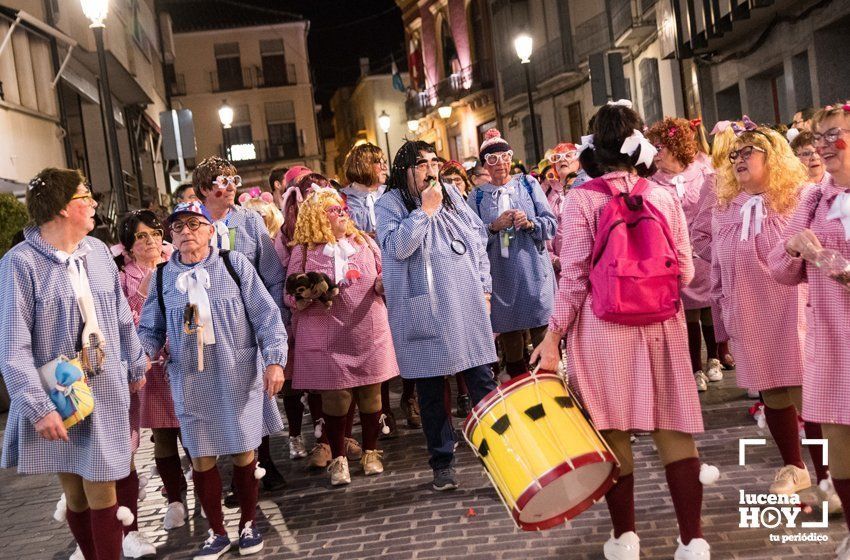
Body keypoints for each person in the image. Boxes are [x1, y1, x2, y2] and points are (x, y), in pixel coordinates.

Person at [531, 103, 710, 560]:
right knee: (674, 428)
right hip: (662, 327)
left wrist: (553, 336)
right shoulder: (664, 195)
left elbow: (572, 278)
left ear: (595, 146)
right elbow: (686, 272)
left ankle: (625, 538)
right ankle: (693, 540)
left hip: (603, 327)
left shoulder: (582, 199)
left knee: (612, 430)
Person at [0, 168, 149, 560]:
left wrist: (135, 364)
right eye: (86, 196)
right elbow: (13, 346)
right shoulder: (20, 263)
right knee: (75, 492)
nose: (94, 203)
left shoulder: (98, 253)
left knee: (103, 487)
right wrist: (38, 406)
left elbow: (120, 317)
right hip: (59, 392)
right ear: (65, 208)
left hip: (105, 386)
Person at [138, 201, 286, 559]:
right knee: (201, 455)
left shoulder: (234, 266)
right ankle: (216, 532)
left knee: (242, 450)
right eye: (177, 227)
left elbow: (267, 317)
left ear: (209, 230)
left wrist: (275, 362)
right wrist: (140, 358)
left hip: (238, 373)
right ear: (169, 236)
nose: (186, 232)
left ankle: (249, 524)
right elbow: (149, 329)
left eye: (193, 224)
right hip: (190, 380)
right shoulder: (161, 278)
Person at [711, 125, 832, 500]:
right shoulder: (725, 207)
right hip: (748, 310)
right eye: (735, 155)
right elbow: (716, 260)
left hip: (792, 308)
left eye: (748, 153)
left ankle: (830, 474)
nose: (739, 160)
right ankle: (795, 468)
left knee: (808, 393)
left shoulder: (802, 198)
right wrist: (723, 306)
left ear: (773, 158)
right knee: (773, 392)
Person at [375, 140, 498, 490]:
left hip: (465, 302)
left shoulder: (452, 195)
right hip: (424, 306)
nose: (431, 169)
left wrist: (485, 289)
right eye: (421, 163)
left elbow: (476, 241)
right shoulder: (389, 204)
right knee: (431, 390)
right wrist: (425, 211)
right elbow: (399, 247)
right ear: (405, 170)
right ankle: (442, 462)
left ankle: (501, 454)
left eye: (434, 162)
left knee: (483, 383)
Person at [770, 105, 850, 558]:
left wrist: (833, 264)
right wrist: (793, 246)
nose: (822, 145)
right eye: (817, 137)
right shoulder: (815, 198)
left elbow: (842, 270)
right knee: (841, 446)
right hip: (831, 339)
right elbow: (781, 270)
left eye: (833, 135)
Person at [286, 187, 399, 485]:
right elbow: (289, 295)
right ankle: (338, 458)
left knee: (370, 393)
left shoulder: (363, 242)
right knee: (335, 396)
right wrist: (306, 294)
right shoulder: (305, 250)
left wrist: (383, 283)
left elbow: (382, 274)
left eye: (342, 209)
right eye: (333, 210)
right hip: (325, 334)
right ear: (316, 217)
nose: (342, 214)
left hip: (366, 328)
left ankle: (372, 451)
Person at [191, 156, 287, 492]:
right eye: (222, 181)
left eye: (235, 180)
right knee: (214, 398)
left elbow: (272, 274)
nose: (231, 187)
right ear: (205, 189)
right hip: (204, 326)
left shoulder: (250, 223)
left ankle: (264, 464)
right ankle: (228, 473)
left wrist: (274, 317)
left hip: (246, 323)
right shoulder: (190, 224)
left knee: (253, 394)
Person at [277, 172, 362, 468]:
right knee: (319, 386)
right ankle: (324, 440)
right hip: (314, 326)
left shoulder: (352, 237)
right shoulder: (296, 237)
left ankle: (341, 437)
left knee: (345, 383)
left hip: (349, 324)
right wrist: (302, 297)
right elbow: (286, 285)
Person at [114, 211, 183, 551]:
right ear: (129, 245)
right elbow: (126, 324)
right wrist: (143, 292)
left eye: (154, 234)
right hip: (152, 369)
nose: (151, 241)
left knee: (195, 431)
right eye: (141, 237)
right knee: (164, 433)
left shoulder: (179, 261)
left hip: (187, 359)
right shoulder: (123, 278)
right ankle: (175, 498)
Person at [341, 144, 420, 433]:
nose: (384, 167)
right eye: (378, 162)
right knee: (378, 345)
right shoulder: (345, 199)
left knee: (407, 336)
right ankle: (382, 409)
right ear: (363, 165)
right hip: (366, 277)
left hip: (397, 268)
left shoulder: (391, 194)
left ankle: (409, 398)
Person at [468, 129, 557, 379]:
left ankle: (548, 384)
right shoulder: (476, 197)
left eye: (505, 157)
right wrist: (493, 227)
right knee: (510, 334)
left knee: (541, 325)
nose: (500, 164)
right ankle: (519, 384)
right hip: (500, 273)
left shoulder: (528, 184)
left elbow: (550, 223)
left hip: (533, 268)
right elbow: (469, 238)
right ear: (484, 164)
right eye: (493, 159)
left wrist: (529, 223)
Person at [647, 117, 721, 391]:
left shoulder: (702, 172)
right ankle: (695, 369)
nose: (657, 152)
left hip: (704, 249)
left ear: (676, 146)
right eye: (654, 147)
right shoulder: (652, 183)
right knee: (687, 311)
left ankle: (714, 357)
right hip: (675, 252)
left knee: (710, 307)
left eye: (661, 146)